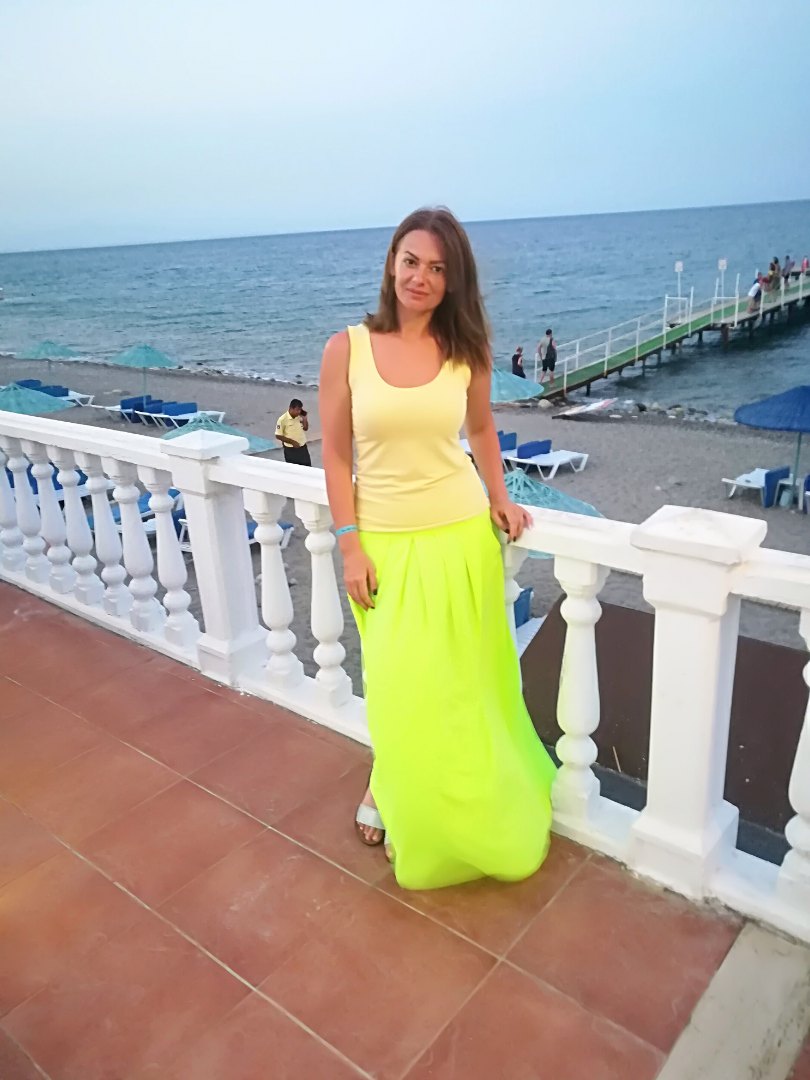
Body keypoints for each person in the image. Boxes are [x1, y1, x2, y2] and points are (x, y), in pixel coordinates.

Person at [319, 207, 555, 891]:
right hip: (384, 546)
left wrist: (500, 497)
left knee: (459, 684)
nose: (420, 277)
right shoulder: (347, 349)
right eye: (411, 261)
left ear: (453, 281)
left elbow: (481, 432)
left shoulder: (465, 351)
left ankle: (413, 794)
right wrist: (348, 545)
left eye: (437, 268)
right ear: (392, 263)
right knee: (398, 684)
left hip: (460, 537)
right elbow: (335, 455)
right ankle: (392, 784)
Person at [275, 398, 311, 465]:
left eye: (300, 409)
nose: (299, 412)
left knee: (307, 468)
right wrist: (292, 442)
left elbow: (305, 428)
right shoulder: (282, 419)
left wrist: (305, 419)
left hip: (302, 448)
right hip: (291, 450)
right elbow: (278, 435)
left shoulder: (299, 416)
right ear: (291, 408)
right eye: (297, 410)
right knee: (294, 469)